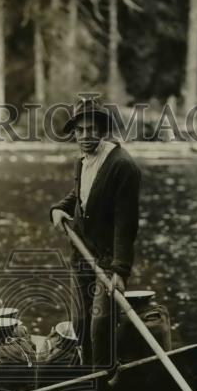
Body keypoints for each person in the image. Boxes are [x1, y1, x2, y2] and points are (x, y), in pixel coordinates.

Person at [50, 97, 140, 369]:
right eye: (80, 130)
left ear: (102, 130)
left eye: (91, 129)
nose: (85, 135)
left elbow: (127, 223)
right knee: (81, 322)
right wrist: (57, 209)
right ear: (74, 133)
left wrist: (120, 270)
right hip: (81, 254)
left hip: (107, 260)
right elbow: (80, 195)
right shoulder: (81, 160)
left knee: (101, 324)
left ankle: (105, 381)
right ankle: (89, 376)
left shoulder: (122, 166)